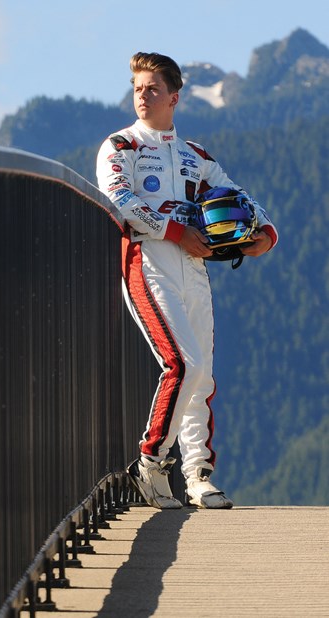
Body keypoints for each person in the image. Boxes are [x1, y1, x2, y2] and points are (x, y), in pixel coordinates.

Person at [96, 52, 279, 509]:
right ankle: (151, 466)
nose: (143, 95)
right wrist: (176, 230)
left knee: (203, 377)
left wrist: (267, 233)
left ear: (174, 96)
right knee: (183, 365)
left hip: (195, 269)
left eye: (152, 88)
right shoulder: (120, 146)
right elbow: (119, 201)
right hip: (147, 261)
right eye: (138, 88)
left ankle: (197, 475)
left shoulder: (194, 155)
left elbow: (241, 197)